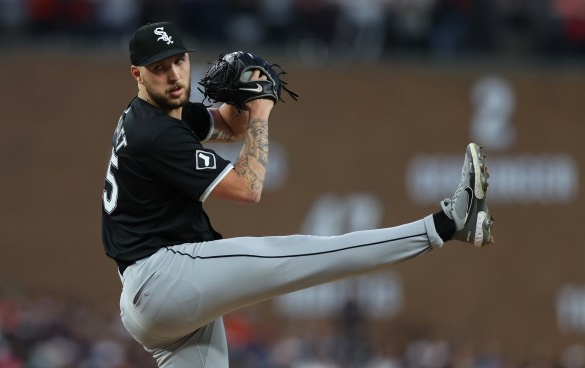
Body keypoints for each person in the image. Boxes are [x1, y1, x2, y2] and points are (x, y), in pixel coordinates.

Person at [101, 21, 494, 368]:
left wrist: (241, 98)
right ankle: (447, 224)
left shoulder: (158, 113)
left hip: (155, 303)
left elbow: (227, 126)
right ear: (137, 73)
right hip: (165, 278)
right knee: (302, 255)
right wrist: (260, 110)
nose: (173, 75)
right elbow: (249, 187)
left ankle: (451, 224)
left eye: (178, 62)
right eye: (159, 68)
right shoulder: (154, 133)